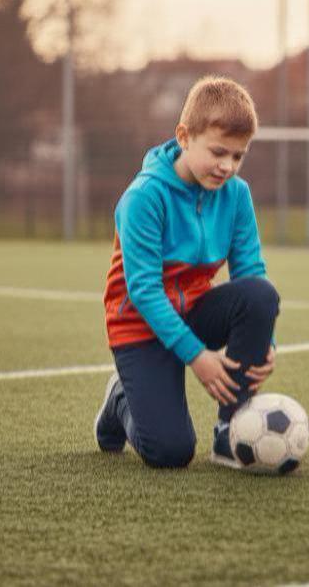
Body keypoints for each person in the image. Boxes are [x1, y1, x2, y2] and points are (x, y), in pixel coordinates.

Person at [95, 76, 279, 469]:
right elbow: (143, 291)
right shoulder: (144, 197)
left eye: (237, 156)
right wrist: (197, 356)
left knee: (261, 295)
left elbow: (250, 271)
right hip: (139, 324)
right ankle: (119, 401)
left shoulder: (236, 195)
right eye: (218, 152)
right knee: (170, 453)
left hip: (193, 312)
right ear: (184, 136)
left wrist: (269, 343)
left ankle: (231, 433)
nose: (227, 167)